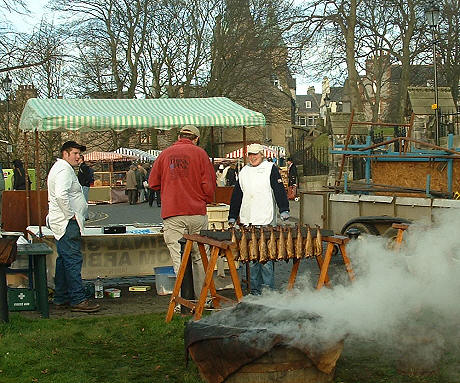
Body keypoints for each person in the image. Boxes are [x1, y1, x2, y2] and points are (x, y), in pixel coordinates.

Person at [149, 125, 216, 299]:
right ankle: (204, 299)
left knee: (179, 260)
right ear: (196, 138)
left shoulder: (165, 154)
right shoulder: (201, 154)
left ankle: (183, 301)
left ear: (179, 136)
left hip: (173, 214)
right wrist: (204, 199)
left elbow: (153, 183)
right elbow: (209, 185)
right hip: (196, 213)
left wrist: (169, 188)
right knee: (200, 257)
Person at [228, 143, 290, 295]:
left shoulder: (271, 169)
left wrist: (284, 209)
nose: (253, 157)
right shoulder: (243, 171)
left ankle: (268, 291)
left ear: (262, 154)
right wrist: (232, 216)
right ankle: (255, 291)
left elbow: (279, 189)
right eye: (250, 155)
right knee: (251, 258)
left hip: (265, 219)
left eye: (255, 154)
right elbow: (237, 195)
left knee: (267, 259)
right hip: (248, 220)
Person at [46, 141, 99, 312]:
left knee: (63, 259)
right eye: (75, 153)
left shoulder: (62, 168)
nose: (78, 157)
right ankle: (78, 299)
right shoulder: (63, 170)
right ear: (65, 153)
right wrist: (71, 216)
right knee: (73, 260)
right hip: (66, 222)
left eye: (79, 154)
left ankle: (61, 297)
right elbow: (61, 195)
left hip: (62, 221)